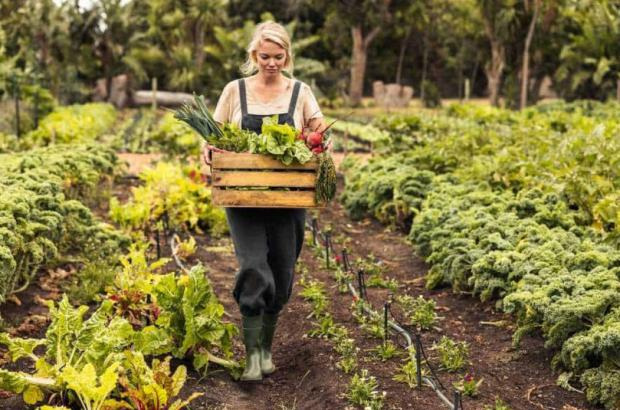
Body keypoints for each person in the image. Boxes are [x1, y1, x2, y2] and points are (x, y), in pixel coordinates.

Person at [203, 21, 328, 382]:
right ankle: (252, 358)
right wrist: (210, 152)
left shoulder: (301, 93)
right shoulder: (234, 91)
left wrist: (321, 142)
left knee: (283, 271)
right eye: (264, 56)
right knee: (254, 266)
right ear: (253, 56)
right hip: (243, 197)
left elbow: (318, 131)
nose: (271, 63)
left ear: (287, 56)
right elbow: (211, 140)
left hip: (289, 199)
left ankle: (267, 349)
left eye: (277, 56)